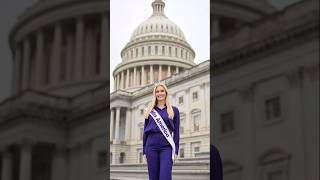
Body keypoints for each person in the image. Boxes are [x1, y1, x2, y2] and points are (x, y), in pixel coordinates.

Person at [143, 82, 180, 180]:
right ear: (155, 94)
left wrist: (176, 150)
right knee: (153, 177)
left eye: (162, 91)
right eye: (157, 91)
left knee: (165, 176)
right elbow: (145, 132)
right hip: (151, 146)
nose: (160, 93)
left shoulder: (174, 110)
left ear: (166, 93)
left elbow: (177, 132)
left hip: (166, 147)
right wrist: (144, 150)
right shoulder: (149, 110)